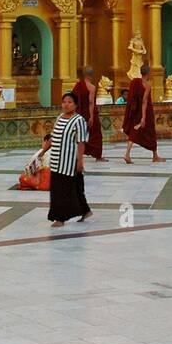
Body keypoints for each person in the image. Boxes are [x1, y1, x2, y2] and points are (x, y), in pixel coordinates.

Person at [47, 93, 92, 227]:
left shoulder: (79, 120)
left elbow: (81, 142)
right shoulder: (59, 118)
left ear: (76, 105)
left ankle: (60, 218)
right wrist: (43, 151)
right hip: (56, 160)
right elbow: (54, 137)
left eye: (70, 102)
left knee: (63, 191)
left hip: (68, 161)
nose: (66, 105)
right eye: (64, 102)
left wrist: (80, 161)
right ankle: (85, 210)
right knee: (70, 188)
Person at [122, 65, 163, 164]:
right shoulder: (147, 85)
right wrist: (143, 117)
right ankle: (155, 156)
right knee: (151, 132)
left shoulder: (135, 82)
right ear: (148, 73)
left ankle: (127, 154)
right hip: (145, 112)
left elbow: (132, 98)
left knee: (133, 131)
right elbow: (144, 101)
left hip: (135, 111)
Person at [71, 66, 104, 161]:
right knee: (96, 134)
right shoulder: (92, 87)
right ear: (91, 76)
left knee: (80, 133)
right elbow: (91, 102)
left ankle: (77, 153)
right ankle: (98, 155)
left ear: (84, 75)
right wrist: (91, 116)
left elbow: (74, 99)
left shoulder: (79, 85)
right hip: (89, 113)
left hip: (80, 113)